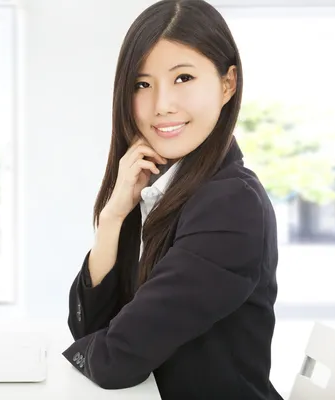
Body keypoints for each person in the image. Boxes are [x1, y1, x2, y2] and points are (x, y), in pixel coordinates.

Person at [62, 0, 283, 399]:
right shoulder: (158, 187)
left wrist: (95, 348)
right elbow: (91, 326)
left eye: (183, 78)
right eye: (142, 85)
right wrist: (113, 216)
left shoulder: (231, 206)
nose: (162, 104)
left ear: (227, 84)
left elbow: (116, 361)